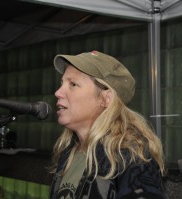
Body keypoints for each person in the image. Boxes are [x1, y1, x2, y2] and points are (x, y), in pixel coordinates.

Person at [49, 50, 165, 199]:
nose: (58, 92)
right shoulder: (69, 152)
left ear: (105, 99)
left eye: (73, 84)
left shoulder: (130, 157)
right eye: (62, 83)